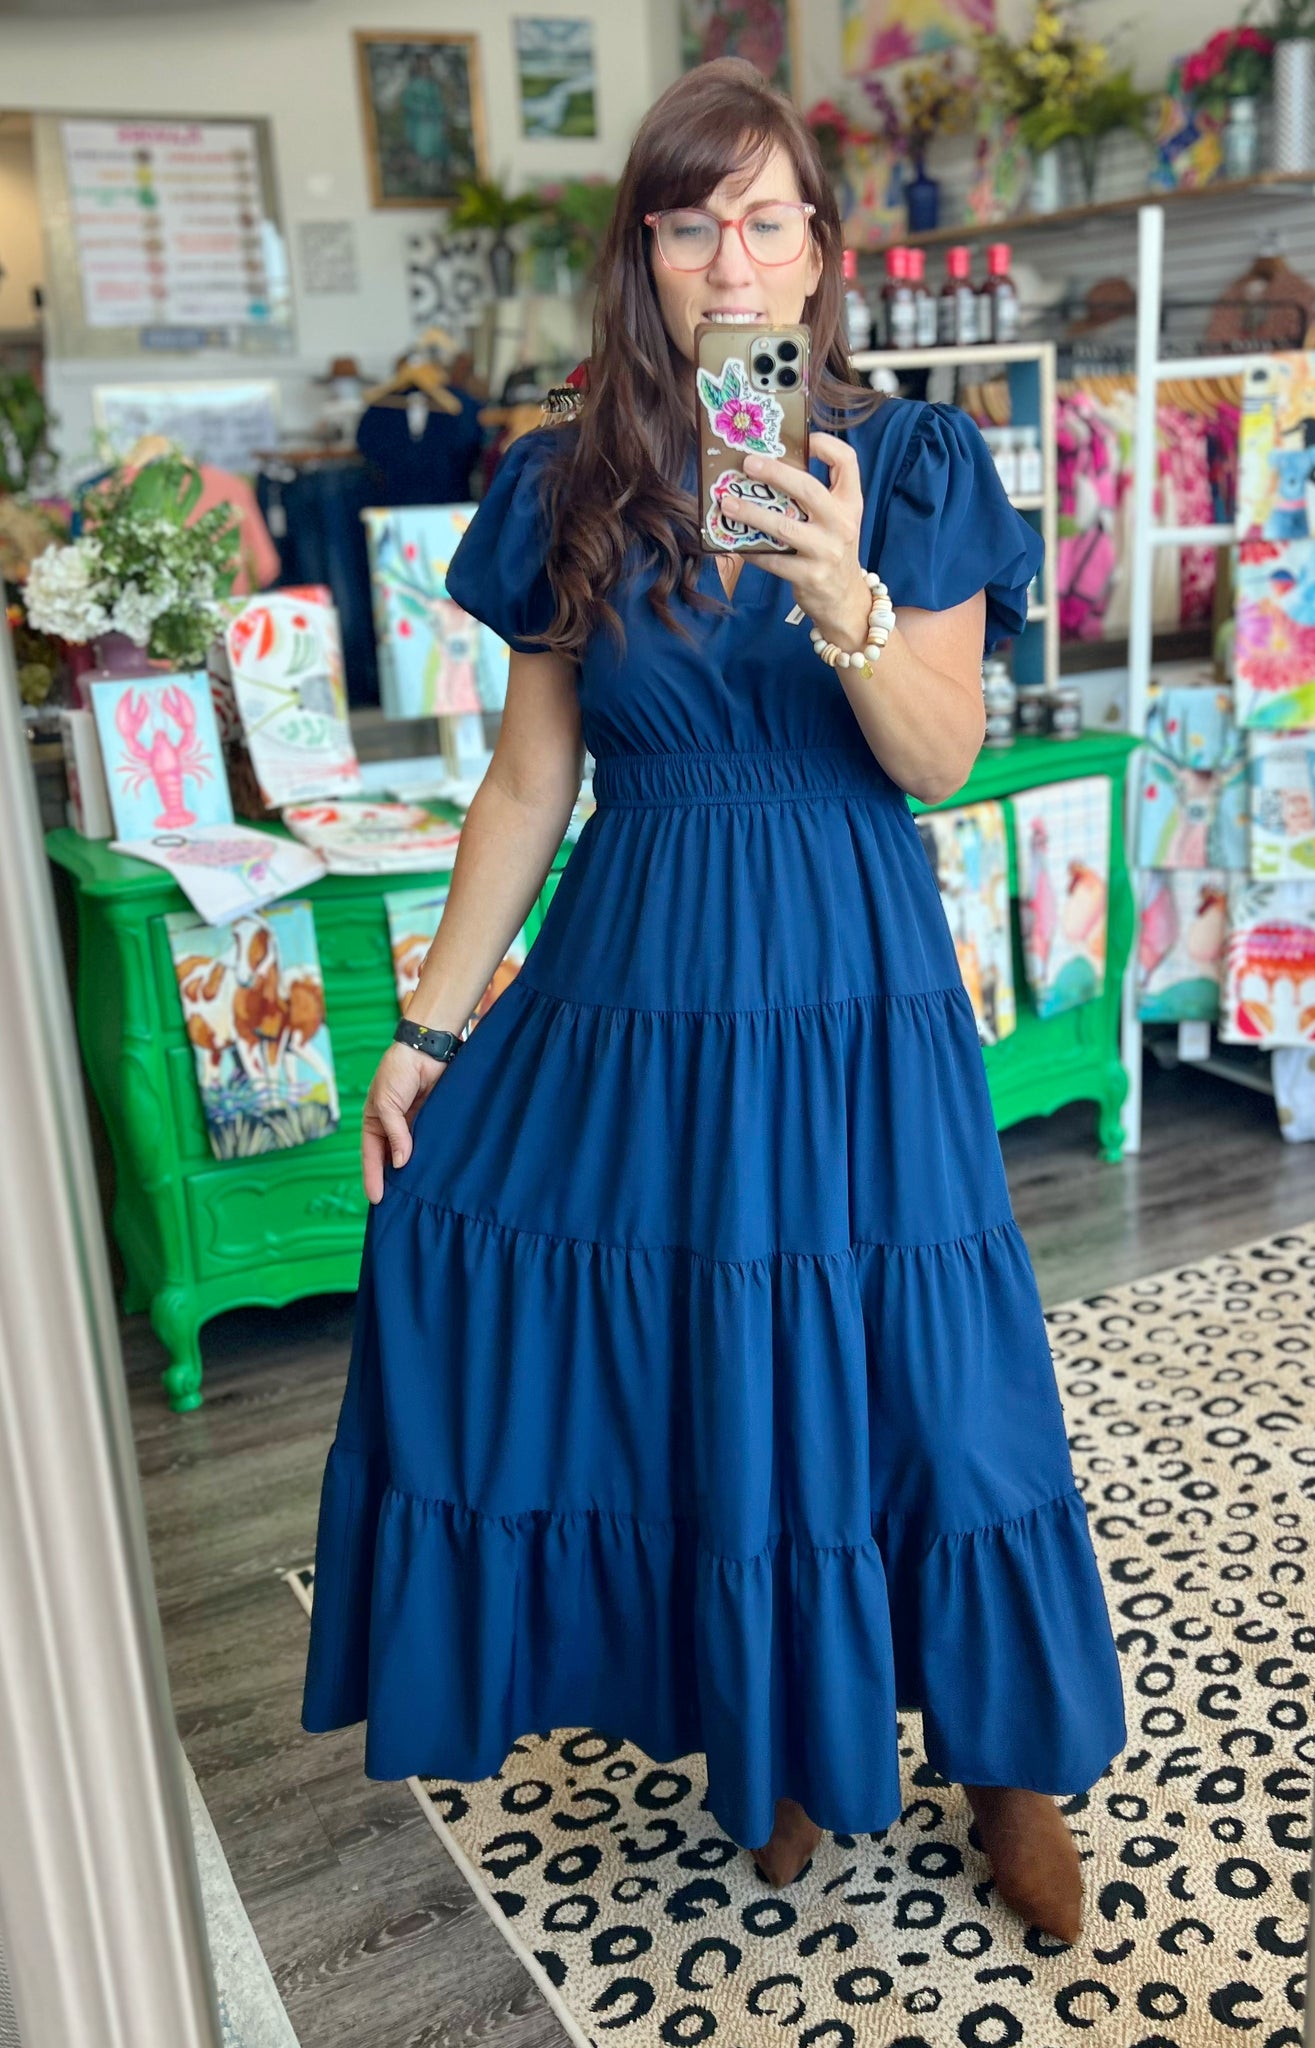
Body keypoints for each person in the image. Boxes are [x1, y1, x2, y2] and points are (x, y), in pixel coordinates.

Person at [300, 58, 1125, 1944]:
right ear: (646, 256)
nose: (730, 262)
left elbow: (936, 756)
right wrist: (425, 1033)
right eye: (690, 226)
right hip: (641, 983)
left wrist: (845, 599)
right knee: (693, 1365)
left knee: (938, 1382)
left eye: (764, 221)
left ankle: (1007, 1768)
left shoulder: (913, 467)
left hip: (852, 986)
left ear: (821, 251)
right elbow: (530, 786)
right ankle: (779, 1734)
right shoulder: (561, 483)